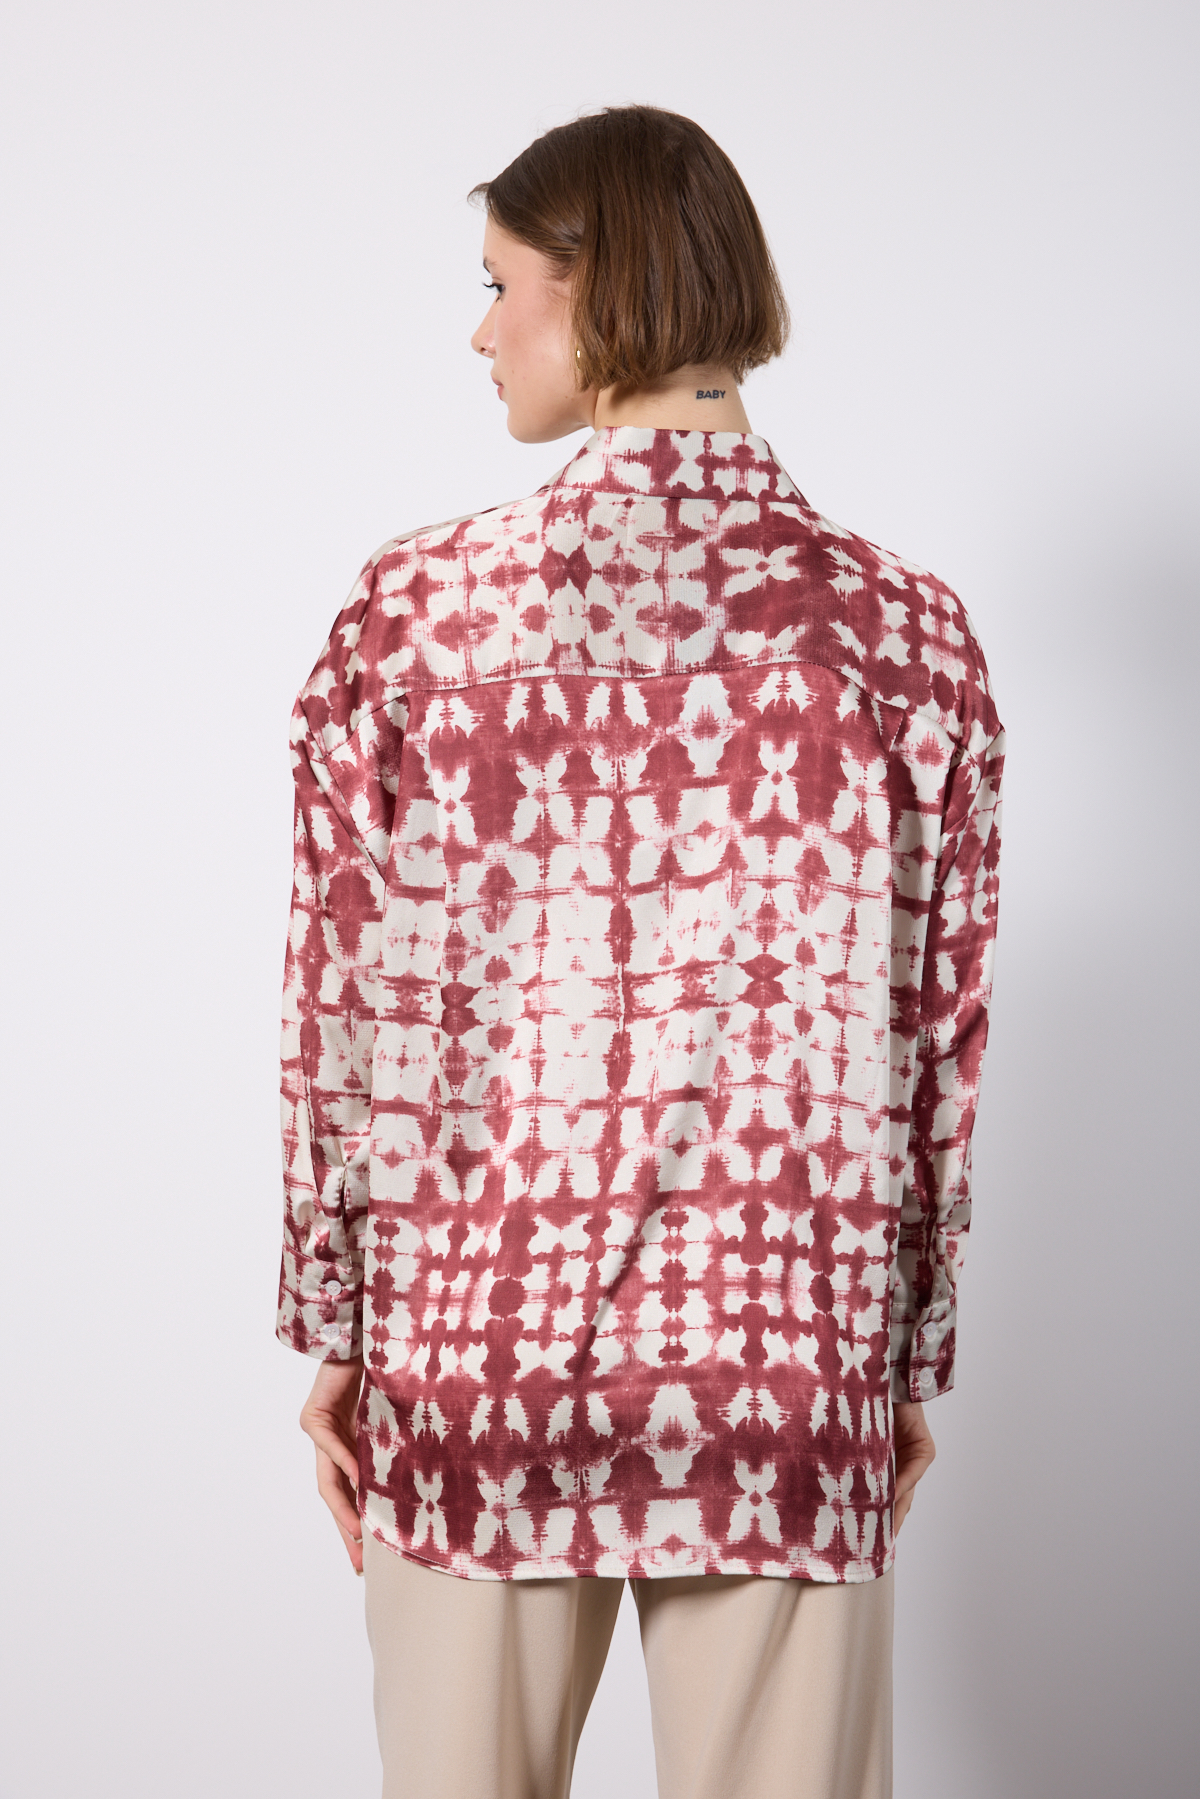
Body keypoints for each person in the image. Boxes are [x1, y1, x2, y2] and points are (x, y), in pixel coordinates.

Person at [275, 105, 1004, 1799]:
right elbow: (938, 1039)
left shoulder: (414, 618)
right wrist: (899, 1355)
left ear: (597, 287)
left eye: (499, 285)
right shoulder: (904, 636)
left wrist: (342, 1322)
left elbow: (337, 1011)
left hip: (473, 1348)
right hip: (786, 1349)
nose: (479, 333)